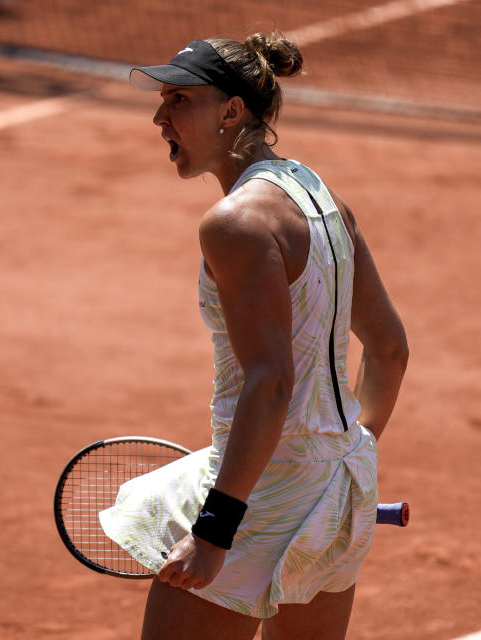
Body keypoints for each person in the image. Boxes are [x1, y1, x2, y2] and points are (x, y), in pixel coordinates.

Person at [99, 32, 408, 640]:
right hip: (338, 487)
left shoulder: (235, 224)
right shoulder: (322, 198)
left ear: (232, 111)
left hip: (259, 498)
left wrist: (214, 530)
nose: (159, 115)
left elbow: (270, 384)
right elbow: (390, 346)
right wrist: (350, 447)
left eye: (179, 99)